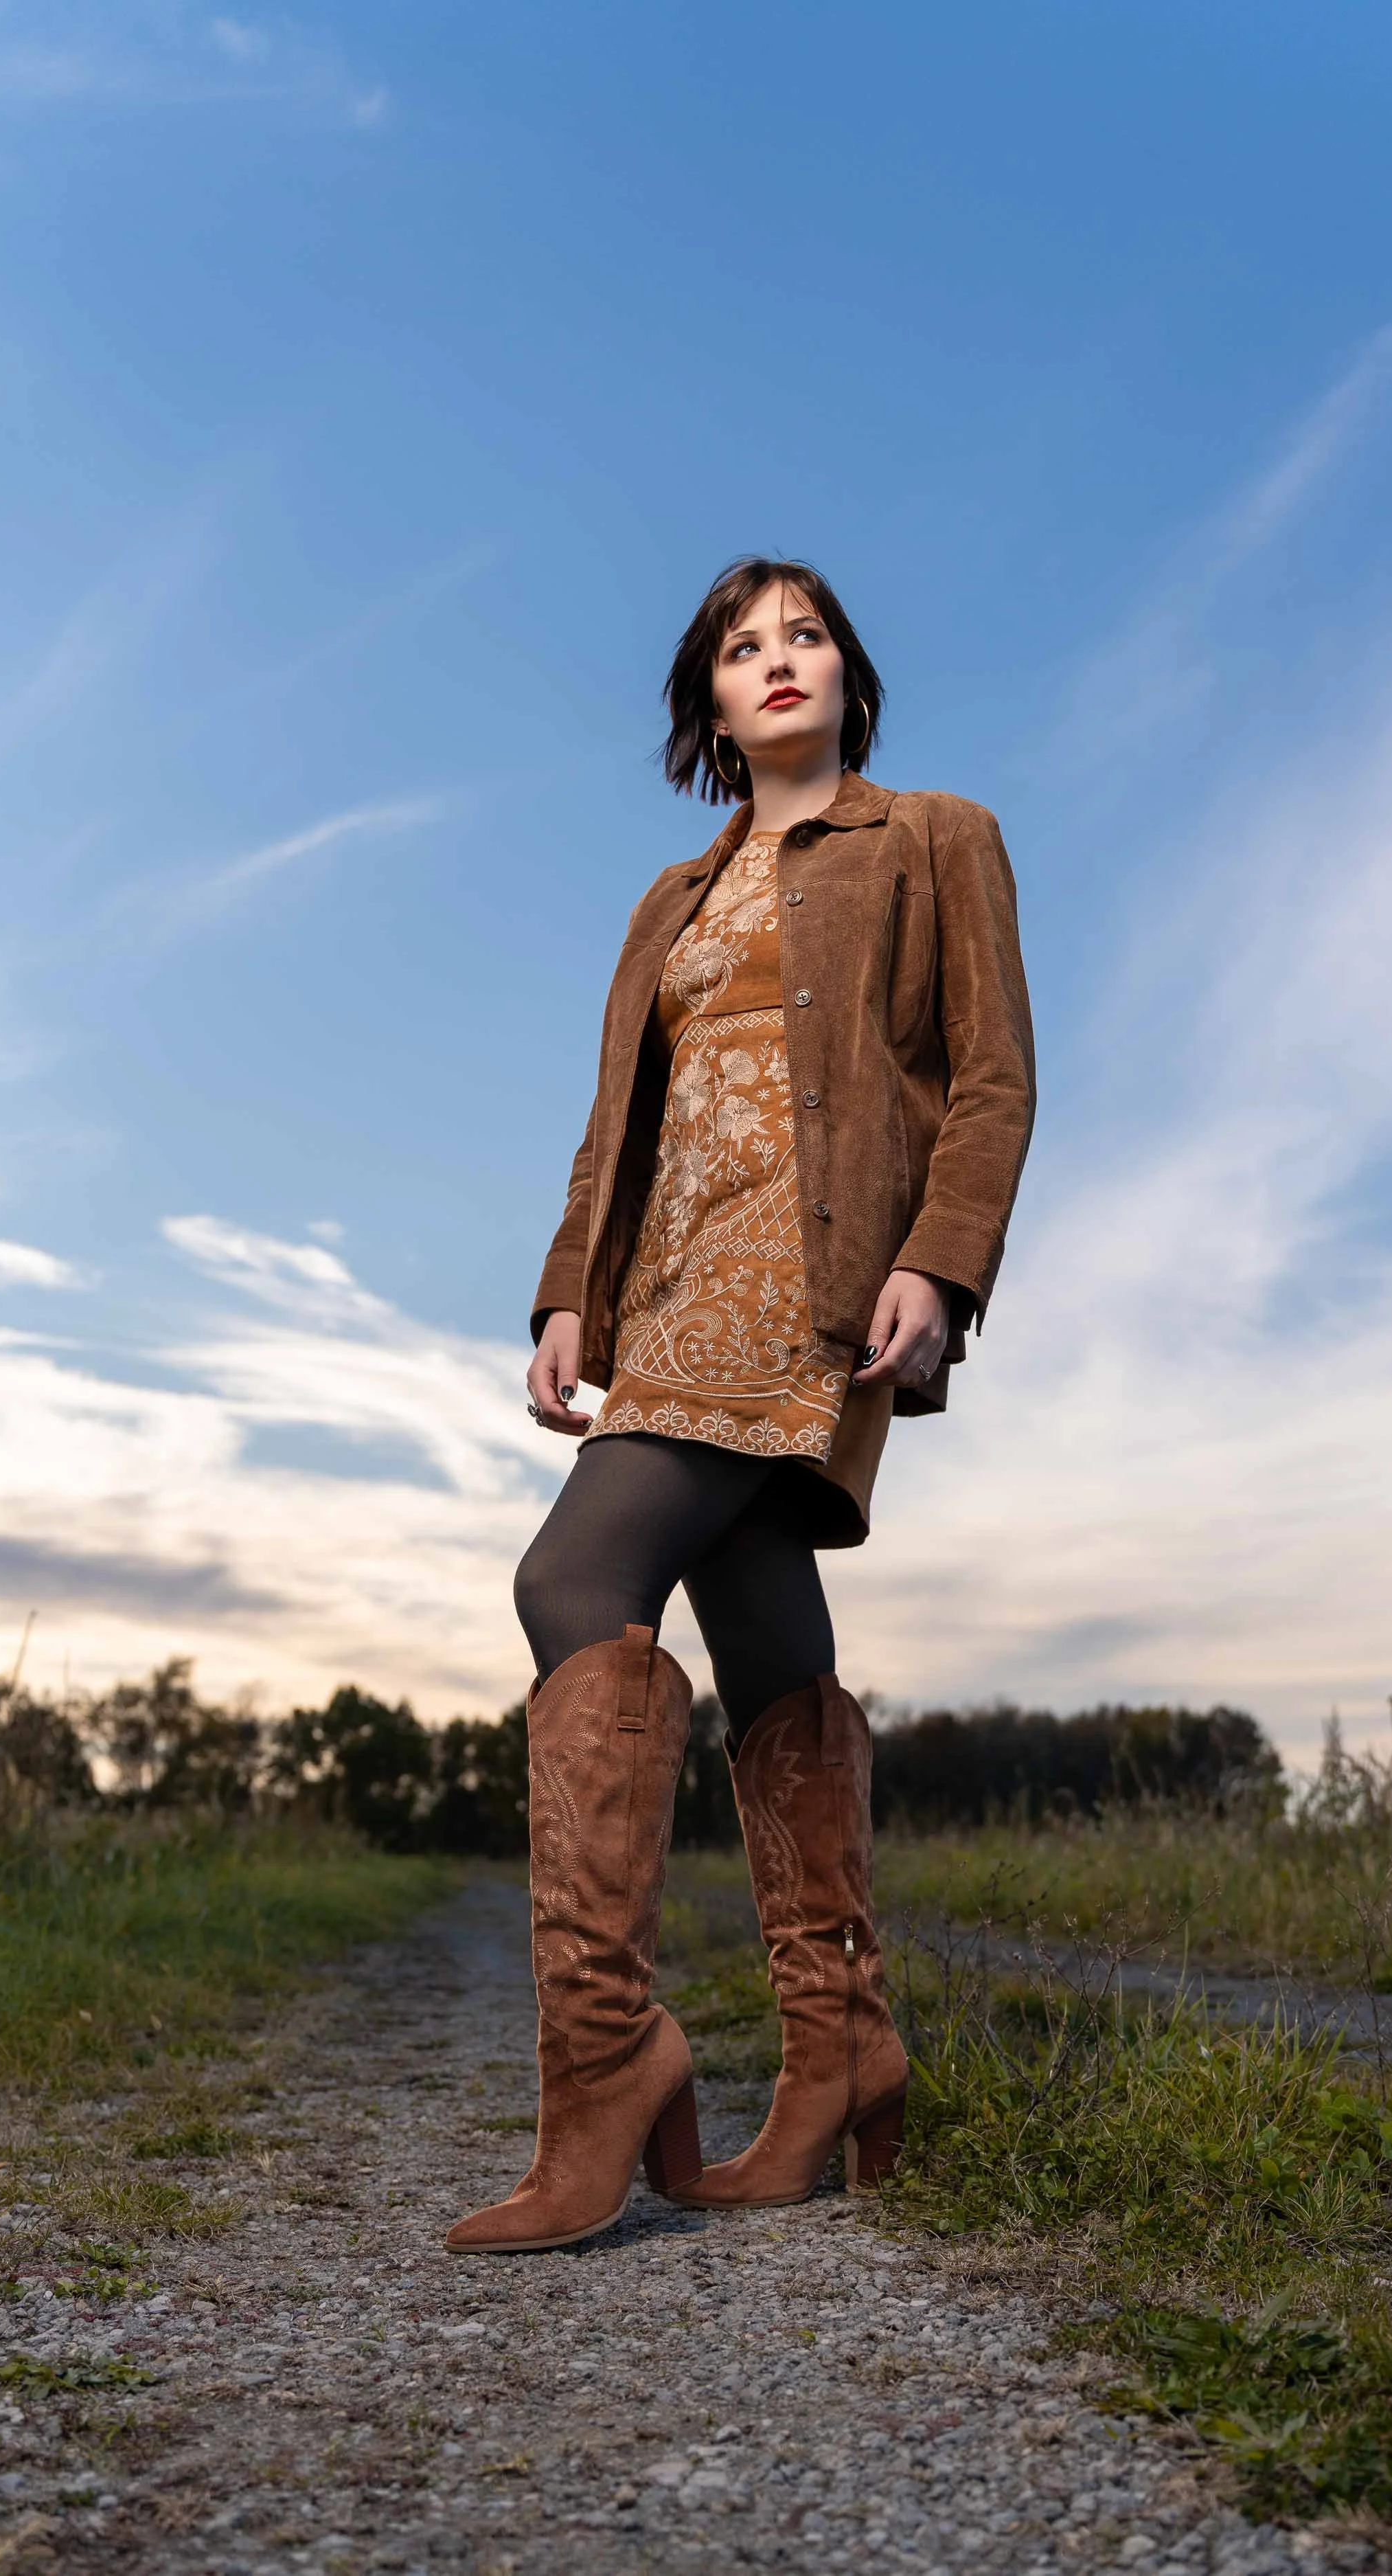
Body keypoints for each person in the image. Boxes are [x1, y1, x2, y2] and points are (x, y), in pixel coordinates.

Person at [444, 558, 1036, 2252]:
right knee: (764, 1625)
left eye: (803, 636)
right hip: (670, 1280)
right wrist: (572, 1285)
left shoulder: (935, 836)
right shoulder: (668, 899)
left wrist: (942, 1264)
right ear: (706, 702)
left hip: (816, 1269)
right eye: (738, 646)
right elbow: (609, 1122)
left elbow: (989, 1075)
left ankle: (608, 2061)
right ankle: (840, 2053)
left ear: (849, 672)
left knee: (571, 1582)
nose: (775, 662)